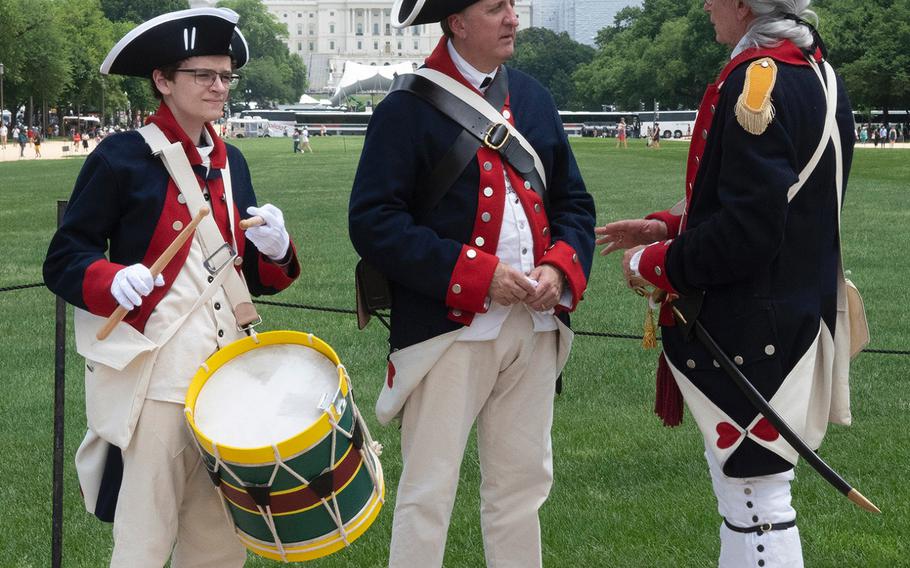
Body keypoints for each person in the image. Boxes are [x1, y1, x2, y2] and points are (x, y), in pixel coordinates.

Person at [595, 1, 854, 566]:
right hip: (794, 312)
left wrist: (656, 264)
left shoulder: (756, 79)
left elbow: (749, 231)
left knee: (756, 503)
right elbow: (778, 202)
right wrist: (668, 225)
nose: (707, 5)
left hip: (750, 321)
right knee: (746, 500)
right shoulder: (818, 72)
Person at [43, 8, 301, 567]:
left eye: (226, 76)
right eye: (203, 75)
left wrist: (276, 251)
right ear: (163, 80)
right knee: (144, 538)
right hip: (157, 379)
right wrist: (113, 279)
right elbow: (64, 258)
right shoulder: (121, 157)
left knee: (220, 543)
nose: (219, 87)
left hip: (226, 378)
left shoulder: (232, 162)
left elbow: (246, 275)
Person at [349, 1, 596, 566]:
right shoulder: (405, 109)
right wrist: (479, 276)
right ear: (457, 22)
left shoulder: (532, 97)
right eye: (495, 8)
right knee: (427, 492)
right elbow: (374, 222)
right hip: (448, 331)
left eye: (512, 6)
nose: (513, 18)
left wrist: (557, 268)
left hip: (532, 328)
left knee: (521, 491)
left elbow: (574, 204)